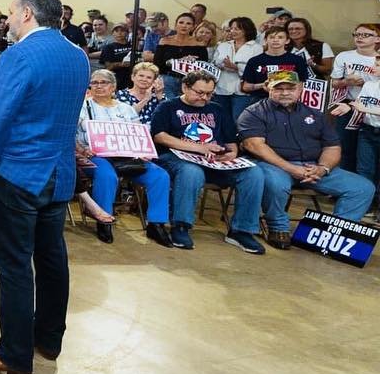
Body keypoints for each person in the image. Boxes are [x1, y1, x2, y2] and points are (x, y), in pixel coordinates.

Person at [0, 0, 89, 374]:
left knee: (14, 264)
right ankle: (48, 341)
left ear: (29, 14)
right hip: (58, 174)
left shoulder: (17, 56)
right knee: (52, 259)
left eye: (11, 13)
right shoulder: (78, 55)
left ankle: (15, 355)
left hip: (17, 173)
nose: (8, 20)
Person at [239, 71, 376, 243]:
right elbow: (255, 146)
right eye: (279, 88)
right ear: (268, 89)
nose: (285, 92)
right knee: (275, 183)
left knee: (362, 187)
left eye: (291, 88)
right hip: (273, 165)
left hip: (313, 166)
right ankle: (277, 225)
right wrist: (290, 168)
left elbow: (332, 146)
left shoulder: (316, 114)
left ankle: (336, 235)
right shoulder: (254, 112)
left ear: (301, 89)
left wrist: (323, 168)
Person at [151, 71, 267, 254]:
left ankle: (242, 230)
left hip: (214, 161)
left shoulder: (217, 109)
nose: (204, 97)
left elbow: (230, 141)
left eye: (209, 93)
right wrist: (200, 148)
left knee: (254, 173)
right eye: (199, 92)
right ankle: (180, 225)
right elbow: (160, 137)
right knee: (192, 172)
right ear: (185, 87)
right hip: (176, 158)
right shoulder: (168, 106)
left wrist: (232, 154)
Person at [76, 69, 174, 246]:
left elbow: (138, 134)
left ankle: (156, 224)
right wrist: (82, 149)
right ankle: (103, 220)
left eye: (103, 82)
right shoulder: (81, 107)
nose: (98, 86)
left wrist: (143, 151)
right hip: (96, 155)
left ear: (113, 87)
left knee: (160, 176)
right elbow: (71, 135)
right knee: (107, 176)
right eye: (95, 83)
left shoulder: (126, 109)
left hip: (127, 157)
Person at [330, 23, 379, 173]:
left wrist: (367, 83)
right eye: (357, 34)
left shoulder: (378, 58)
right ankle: (348, 181)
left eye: (365, 35)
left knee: (368, 152)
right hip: (349, 104)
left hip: (373, 108)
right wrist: (346, 82)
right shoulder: (344, 56)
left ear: (377, 38)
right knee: (346, 146)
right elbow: (334, 83)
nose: (359, 38)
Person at [213, 17, 261, 126]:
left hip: (243, 91)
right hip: (222, 88)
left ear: (246, 30)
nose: (233, 31)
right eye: (231, 29)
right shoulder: (223, 45)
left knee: (238, 119)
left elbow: (257, 70)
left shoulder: (256, 48)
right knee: (221, 119)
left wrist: (236, 67)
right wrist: (221, 64)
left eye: (237, 29)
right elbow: (215, 62)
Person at [240, 26, 309, 100]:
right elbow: (245, 87)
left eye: (280, 37)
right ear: (265, 40)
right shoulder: (254, 61)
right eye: (272, 37)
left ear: (287, 40)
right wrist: (264, 85)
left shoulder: (297, 60)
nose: (275, 40)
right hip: (260, 101)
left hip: (288, 101)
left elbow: (302, 84)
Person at [153, 12, 210, 98]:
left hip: (190, 82)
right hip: (167, 80)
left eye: (188, 23)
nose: (184, 26)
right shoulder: (164, 41)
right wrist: (179, 61)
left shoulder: (199, 44)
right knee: (168, 107)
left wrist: (191, 63)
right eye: (181, 22)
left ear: (193, 27)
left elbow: (203, 67)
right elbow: (157, 63)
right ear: (176, 25)